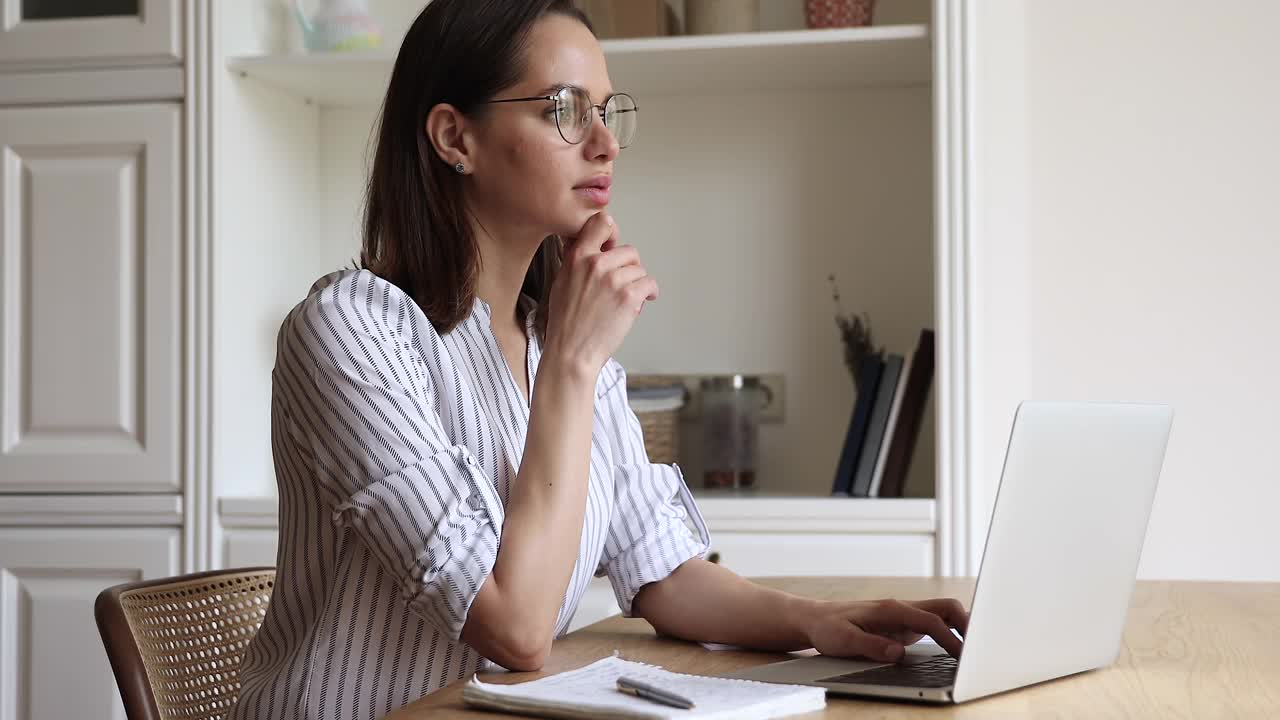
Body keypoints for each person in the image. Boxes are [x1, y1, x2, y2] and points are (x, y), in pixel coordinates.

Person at [230, 2, 969, 718]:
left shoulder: (553, 338)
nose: (605, 143)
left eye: (608, 111)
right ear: (456, 137)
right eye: (563, 109)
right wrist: (573, 369)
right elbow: (515, 630)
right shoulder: (351, 331)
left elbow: (664, 572)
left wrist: (823, 622)